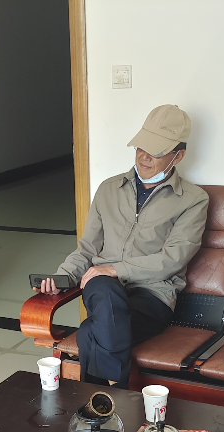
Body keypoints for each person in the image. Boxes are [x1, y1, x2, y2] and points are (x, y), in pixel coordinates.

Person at [35, 105, 209, 386]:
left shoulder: (193, 200)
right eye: (141, 146)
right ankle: (119, 397)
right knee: (103, 287)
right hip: (103, 291)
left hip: (153, 297)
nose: (144, 156)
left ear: (178, 156)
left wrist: (115, 269)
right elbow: (87, 249)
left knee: (89, 333)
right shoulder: (108, 189)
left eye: (156, 151)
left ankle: (100, 404)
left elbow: (173, 259)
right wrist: (62, 277)